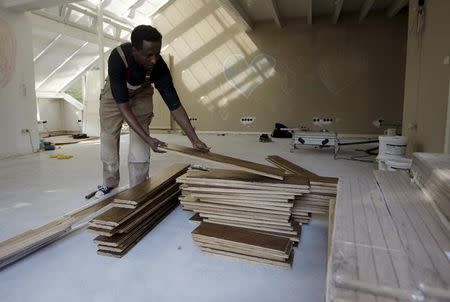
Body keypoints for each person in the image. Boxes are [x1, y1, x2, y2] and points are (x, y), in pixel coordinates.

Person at [95, 25, 209, 197]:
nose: (154, 59)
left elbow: (175, 106)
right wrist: (149, 139)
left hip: (142, 94)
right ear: (134, 50)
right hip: (115, 97)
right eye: (149, 55)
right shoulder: (117, 58)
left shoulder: (159, 66)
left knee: (140, 145)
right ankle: (109, 182)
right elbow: (123, 107)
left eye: (157, 53)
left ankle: (138, 189)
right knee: (109, 138)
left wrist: (194, 139)